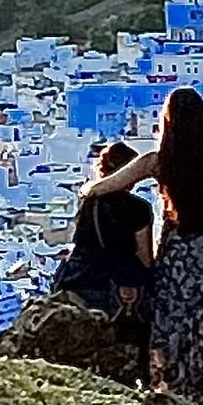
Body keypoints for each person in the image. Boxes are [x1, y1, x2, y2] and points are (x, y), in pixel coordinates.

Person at [82, 87, 203, 405]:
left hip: (180, 251)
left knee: (173, 323)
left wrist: (89, 189)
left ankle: (174, 390)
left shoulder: (160, 160)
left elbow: (107, 186)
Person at [53, 140, 153, 338]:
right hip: (114, 283)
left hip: (78, 276)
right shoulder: (137, 208)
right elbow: (145, 256)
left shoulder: (88, 201)